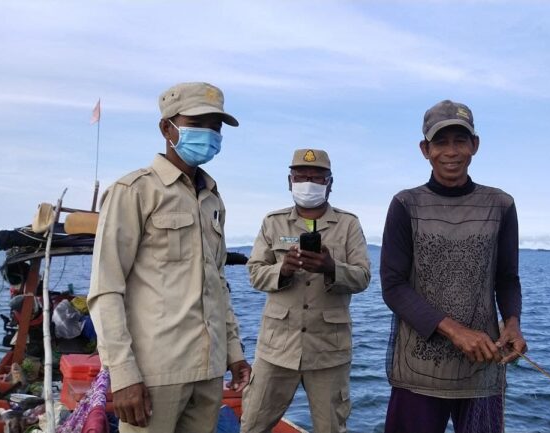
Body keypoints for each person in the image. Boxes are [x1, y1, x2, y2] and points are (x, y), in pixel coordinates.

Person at [88, 82, 251, 433]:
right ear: (167, 128)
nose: (208, 134)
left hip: (209, 371)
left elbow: (217, 285)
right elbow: (106, 289)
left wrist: (234, 353)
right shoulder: (134, 192)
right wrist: (123, 373)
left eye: (215, 126)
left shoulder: (213, 199)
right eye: (197, 123)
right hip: (153, 374)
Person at [380, 100, 527, 433]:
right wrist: (455, 331)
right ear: (425, 149)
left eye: (460, 141)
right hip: (417, 371)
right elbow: (393, 287)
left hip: (482, 368)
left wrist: (512, 324)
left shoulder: (500, 205)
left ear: (475, 145)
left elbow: (507, 278)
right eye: (440, 142)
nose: (451, 152)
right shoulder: (406, 204)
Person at [241, 149, 371, 433]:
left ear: (330, 183)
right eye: (301, 177)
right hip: (276, 348)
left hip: (329, 351)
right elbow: (254, 273)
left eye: (316, 177)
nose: (308, 183)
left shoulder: (349, 224)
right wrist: (282, 270)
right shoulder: (272, 222)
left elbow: (363, 277)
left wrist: (331, 268)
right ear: (289, 182)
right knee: (252, 424)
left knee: (331, 427)